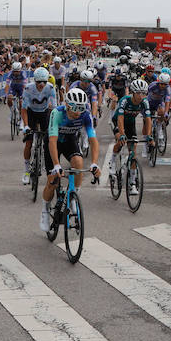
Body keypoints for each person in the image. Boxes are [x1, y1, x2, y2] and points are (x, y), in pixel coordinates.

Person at [40, 88, 101, 232]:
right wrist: (56, 165)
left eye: (81, 108)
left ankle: (74, 196)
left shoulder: (85, 115)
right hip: (53, 142)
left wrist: (94, 163)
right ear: (67, 105)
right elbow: (52, 141)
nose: (78, 112)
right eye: (75, 108)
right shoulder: (57, 113)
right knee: (52, 181)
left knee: (79, 163)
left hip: (69, 141)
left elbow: (93, 140)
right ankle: (45, 211)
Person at [21, 65, 56, 170]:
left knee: (49, 141)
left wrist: (54, 125)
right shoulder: (28, 88)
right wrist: (26, 126)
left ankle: (48, 163)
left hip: (44, 113)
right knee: (29, 142)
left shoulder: (50, 88)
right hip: (31, 113)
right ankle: (26, 168)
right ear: (34, 80)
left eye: (44, 82)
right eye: (39, 82)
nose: (41, 85)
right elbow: (23, 109)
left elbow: (54, 108)